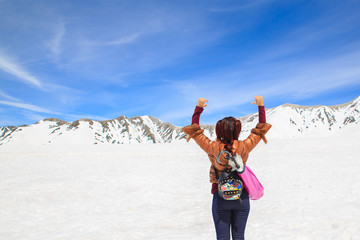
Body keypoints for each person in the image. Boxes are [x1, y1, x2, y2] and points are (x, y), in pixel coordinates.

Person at [182, 96, 271, 240]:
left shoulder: (212, 148)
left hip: (220, 197)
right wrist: (261, 107)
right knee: (239, 236)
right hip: (241, 197)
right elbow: (259, 131)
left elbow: (195, 131)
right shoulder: (244, 146)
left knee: (222, 237)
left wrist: (198, 109)